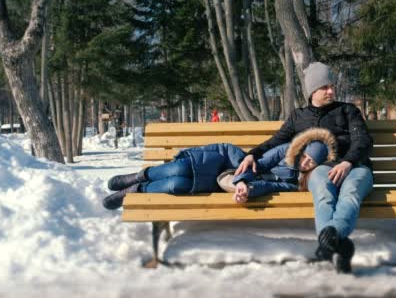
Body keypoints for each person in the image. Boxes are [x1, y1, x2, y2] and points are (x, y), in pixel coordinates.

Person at [235, 62, 373, 274]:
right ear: (312, 91)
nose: (331, 91)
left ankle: (330, 238)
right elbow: (275, 141)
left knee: (351, 193)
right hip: (323, 169)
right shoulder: (298, 117)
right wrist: (252, 154)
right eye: (325, 87)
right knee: (323, 195)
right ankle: (338, 245)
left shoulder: (348, 110)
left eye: (331, 86)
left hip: (356, 166)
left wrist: (348, 162)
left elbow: (362, 141)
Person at [102, 128, 336, 210]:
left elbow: (270, 186)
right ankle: (138, 176)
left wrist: (248, 190)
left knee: (178, 185)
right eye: (305, 157)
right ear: (302, 149)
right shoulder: (287, 151)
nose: (305, 163)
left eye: (311, 163)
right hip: (230, 163)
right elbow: (260, 163)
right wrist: (243, 179)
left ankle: (135, 191)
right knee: (179, 169)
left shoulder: (295, 183)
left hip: (226, 181)